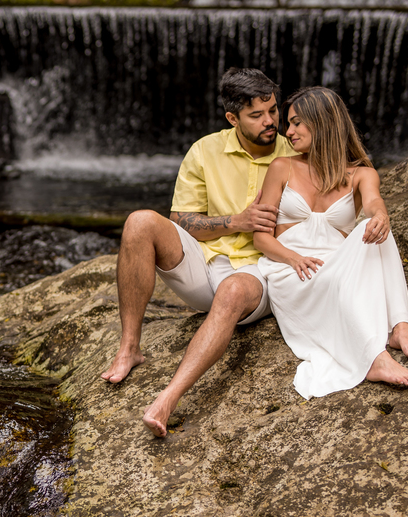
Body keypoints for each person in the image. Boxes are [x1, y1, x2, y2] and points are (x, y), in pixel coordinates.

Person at [100, 68, 296, 437]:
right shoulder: (205, 150)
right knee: (140, 222)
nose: (271, 122)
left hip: (261, 275)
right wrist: (237, 221)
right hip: (204, 266)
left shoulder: (297, 152)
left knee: (233, 290)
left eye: (273, 110)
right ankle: (129, 348)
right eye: (257, 115)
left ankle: (168, 398)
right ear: (232, 118)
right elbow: (181, 220)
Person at [252, 86, 408, 398]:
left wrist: (380, 216)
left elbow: (373, 203)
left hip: (339, 264)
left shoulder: (361, 173)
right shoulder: (282, 167)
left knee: (372, 230)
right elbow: (261, 237)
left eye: (296, 123)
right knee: (342, 268)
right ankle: (375, 359)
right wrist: (293, 258)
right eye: (288, 123)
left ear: (322, 122)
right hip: (293, 270)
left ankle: (400, 327)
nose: (288, 131)